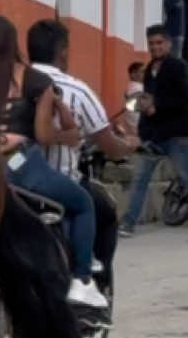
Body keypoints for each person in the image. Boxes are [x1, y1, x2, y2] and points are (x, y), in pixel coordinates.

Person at [0, 15, 107, 308]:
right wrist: (65, 136)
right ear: (13, 43)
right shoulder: (35, 80)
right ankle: (82, 280)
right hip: (20, 167)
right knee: (82, 204)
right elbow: (45, 135)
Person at [26, 18, 138, 285]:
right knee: (102, 211)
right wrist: (130, 144)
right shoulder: (75, 90)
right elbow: (109, 146)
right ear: (63, 51)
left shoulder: (15, 82)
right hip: (57, 181)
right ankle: (89, 279)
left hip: (12, 181)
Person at [121, 24, 188, 235]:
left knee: (186, 178)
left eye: (159, 43)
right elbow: (145, 105)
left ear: (169, 43)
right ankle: (128, 223)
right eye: (151, 43)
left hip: (176, 135)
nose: (155, 47)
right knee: (139, 179)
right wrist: (142, 131)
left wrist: (156, 105)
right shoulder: (149, 70)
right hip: (153, 136)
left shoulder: (178, 66)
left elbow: (184, 100)